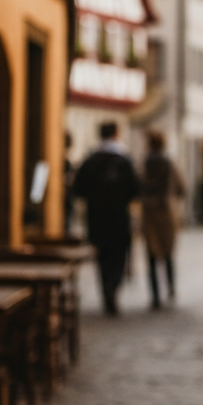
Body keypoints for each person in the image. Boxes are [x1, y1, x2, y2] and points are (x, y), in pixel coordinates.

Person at [73, 122, 139, 315]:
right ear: (117, 134)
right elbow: (134, 190)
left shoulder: (91, 160)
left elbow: (79, 189)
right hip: (119, 217)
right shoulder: (124, 160)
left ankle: (106, 289)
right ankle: (113, 286)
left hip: (97, 216)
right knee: (119, 254)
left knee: (102, 255)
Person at [140, 131, 184, 309]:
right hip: (167, 213)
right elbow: (182, 187)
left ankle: (155, 295)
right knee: (168, 252)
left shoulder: (144, 164)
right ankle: (171, 286)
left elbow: (137, 184)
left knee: (151, 254)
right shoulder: (169, 163)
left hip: (149, 213)